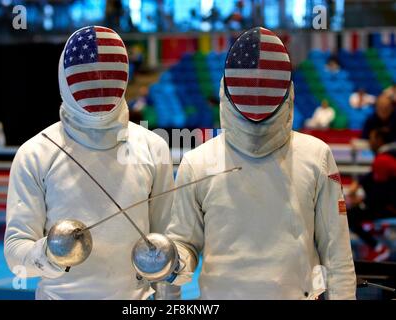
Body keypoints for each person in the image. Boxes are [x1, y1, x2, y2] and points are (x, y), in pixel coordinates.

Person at [164, 27, 356, 299]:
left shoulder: (316, 155)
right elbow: (184, 243)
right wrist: (173, 261)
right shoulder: (197, 163)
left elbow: (336, 252)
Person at [4, 26, 174, 300]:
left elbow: (166, 248)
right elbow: (15, 253)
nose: (98, 80)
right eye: (88, 74)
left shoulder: (152, 148)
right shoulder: (36, 153)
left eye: (108, 74)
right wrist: (50, 253)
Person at [347, 127, 396, 261]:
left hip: (389, 208)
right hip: (388, 205)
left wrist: (361, 201)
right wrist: (357, 183)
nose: (369, 142)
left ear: (379, 140)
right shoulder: (387, 157)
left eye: (371, 139)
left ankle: (379, 248)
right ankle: (378, 234)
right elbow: (370, 177)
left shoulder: (382, 160)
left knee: (348, 216)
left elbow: (379, 195)